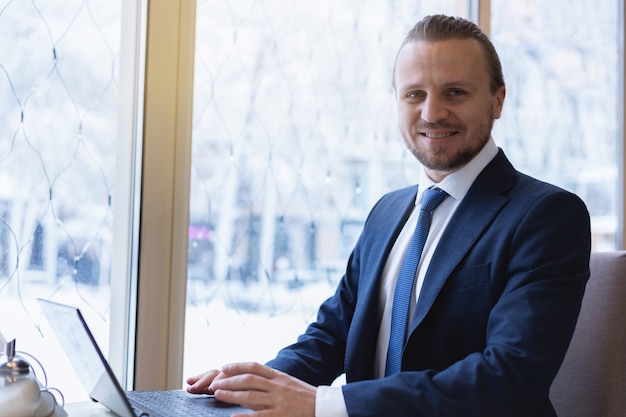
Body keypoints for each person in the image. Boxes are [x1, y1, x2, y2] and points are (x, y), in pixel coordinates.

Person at [187, 14, 591, 417]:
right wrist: (251, 389)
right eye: (414, 94)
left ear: (497, 100)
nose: (432, 113)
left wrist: (322, 405)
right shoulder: (388, 211)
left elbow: (509, 377)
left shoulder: (546, 215)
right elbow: (333, 334)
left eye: (454, 92)